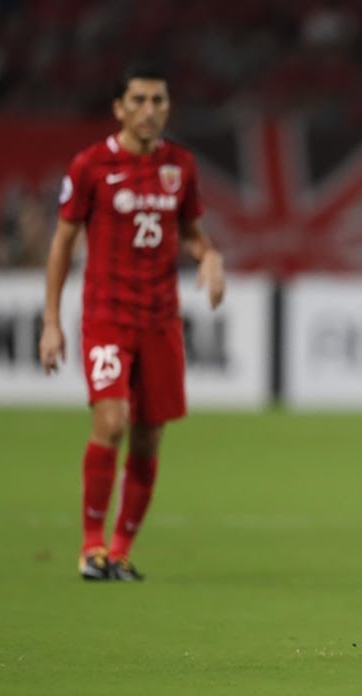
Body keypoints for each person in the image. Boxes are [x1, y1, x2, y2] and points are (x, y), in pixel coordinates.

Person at [40, 64, 225, 582]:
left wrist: (208, 257)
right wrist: (51, 320)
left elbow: (191, 232)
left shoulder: (179, 165)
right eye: (139, 100)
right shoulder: (90, 165)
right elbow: (62, 243)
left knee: (147, 439)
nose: (150, 110)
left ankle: (119, 551)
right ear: (119, 108)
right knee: (112, 422)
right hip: (107, 316)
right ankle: (90, 548)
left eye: (159, 100)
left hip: (160, 321)